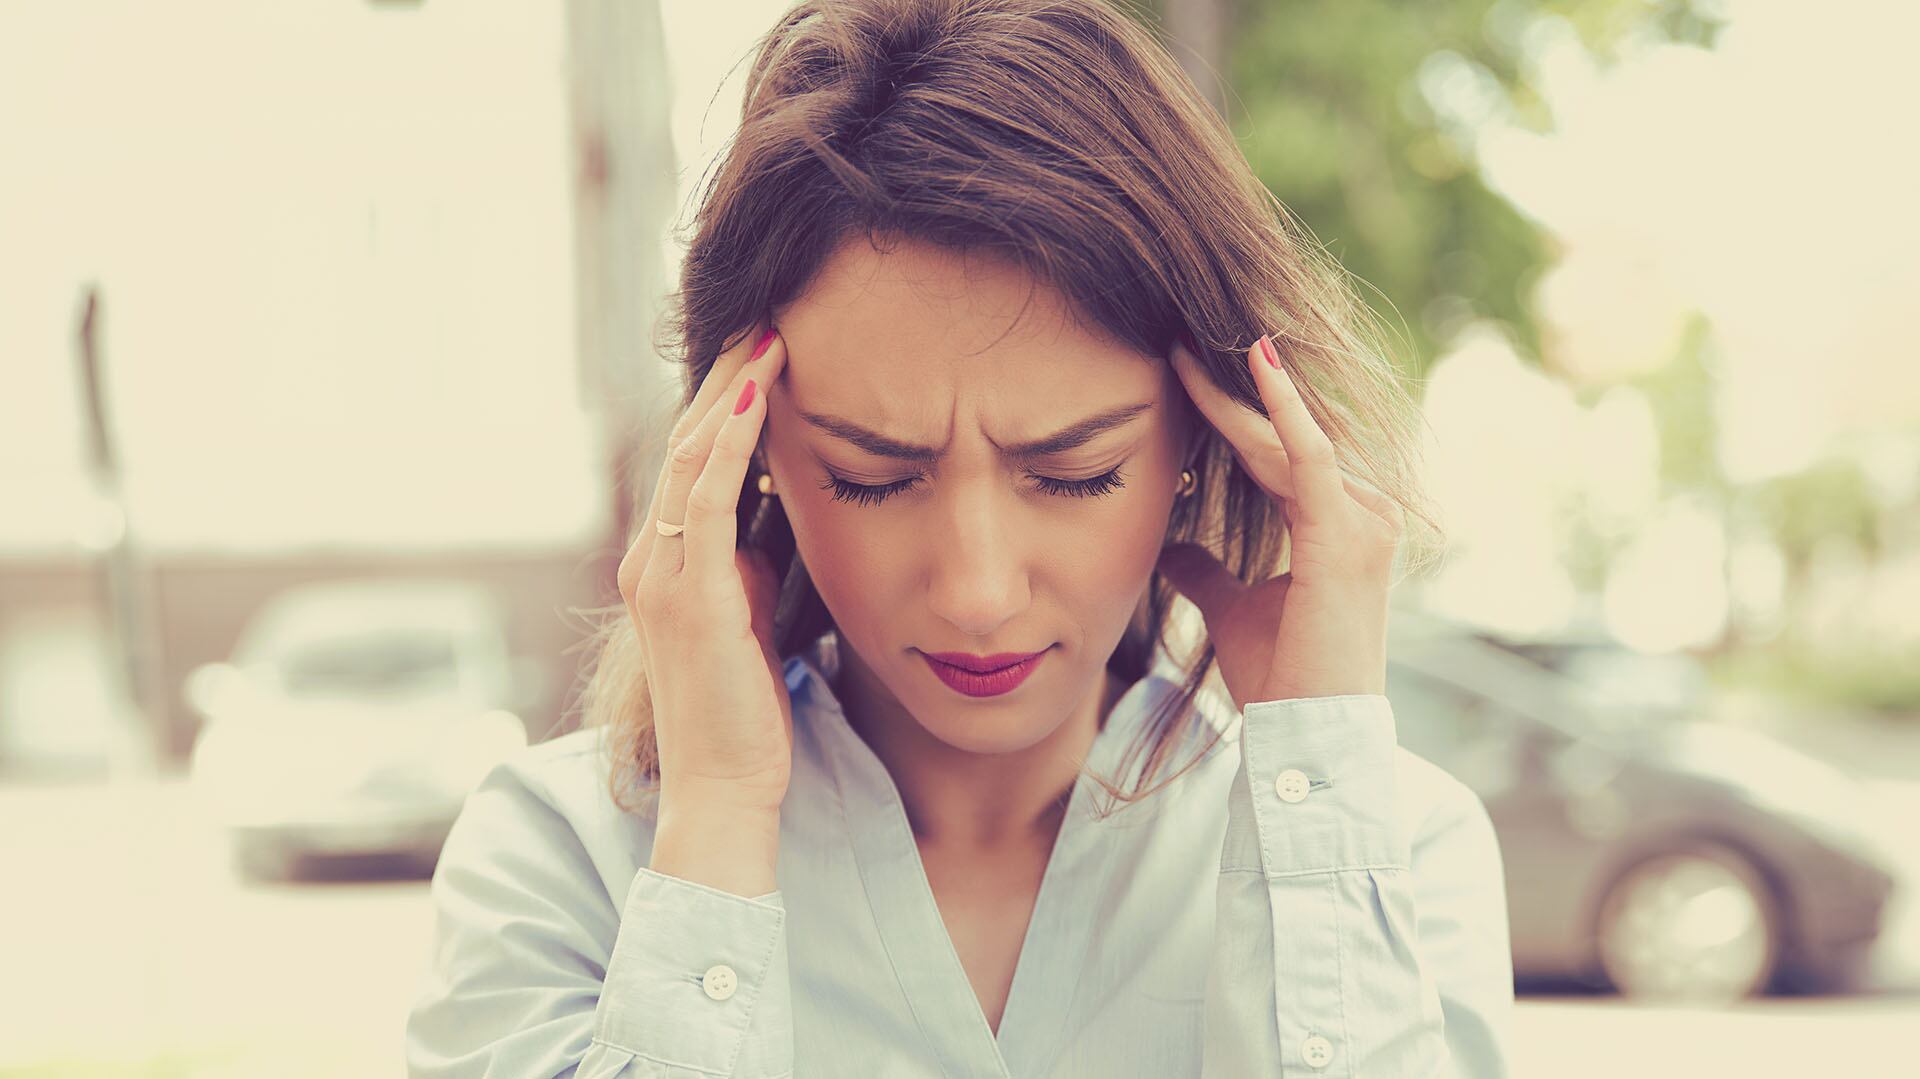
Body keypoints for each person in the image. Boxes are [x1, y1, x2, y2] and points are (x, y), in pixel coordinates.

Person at [405, 0, 1514, 1075]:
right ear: (749, 459)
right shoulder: (564, 857)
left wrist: (1316, 777)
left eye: (1075, 473)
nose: (978, 590)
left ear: (1207, 438)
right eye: (872, 476)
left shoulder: (1393, 853)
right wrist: (717, 831)